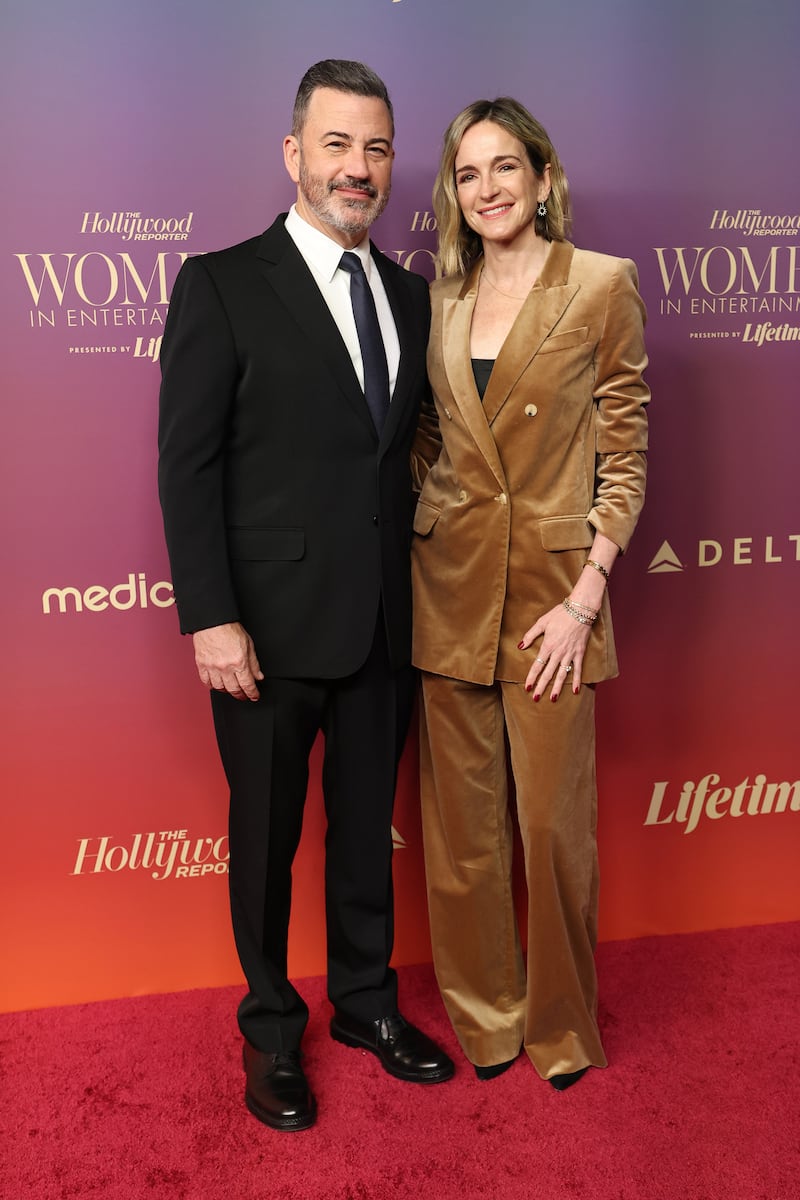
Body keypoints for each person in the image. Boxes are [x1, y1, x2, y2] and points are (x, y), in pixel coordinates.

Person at [158, 59, 454, 1132]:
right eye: (335, 144)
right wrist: (209, 615)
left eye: (374, 147)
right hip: (264, 634)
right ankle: (271, 1029)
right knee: (268, 839)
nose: (357, 167)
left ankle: (366, 1007)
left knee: (363, 830)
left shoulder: (414, 297)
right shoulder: (222, 283)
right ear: (293, 154)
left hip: (384, 620)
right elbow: (185, 465)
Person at [411, 98, 649, 1090]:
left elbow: (624, 455)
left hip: (555, 599)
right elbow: (431, 435)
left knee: (550, 832)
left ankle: (558, 1025)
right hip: (449, 587)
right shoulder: (440, 293)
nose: (488, 188)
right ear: (453, 195)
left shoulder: (599, 285)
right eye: (468, 174)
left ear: (542, 177)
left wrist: (587, 593)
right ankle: (487, 1019)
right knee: (463, 836)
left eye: (505, 166)